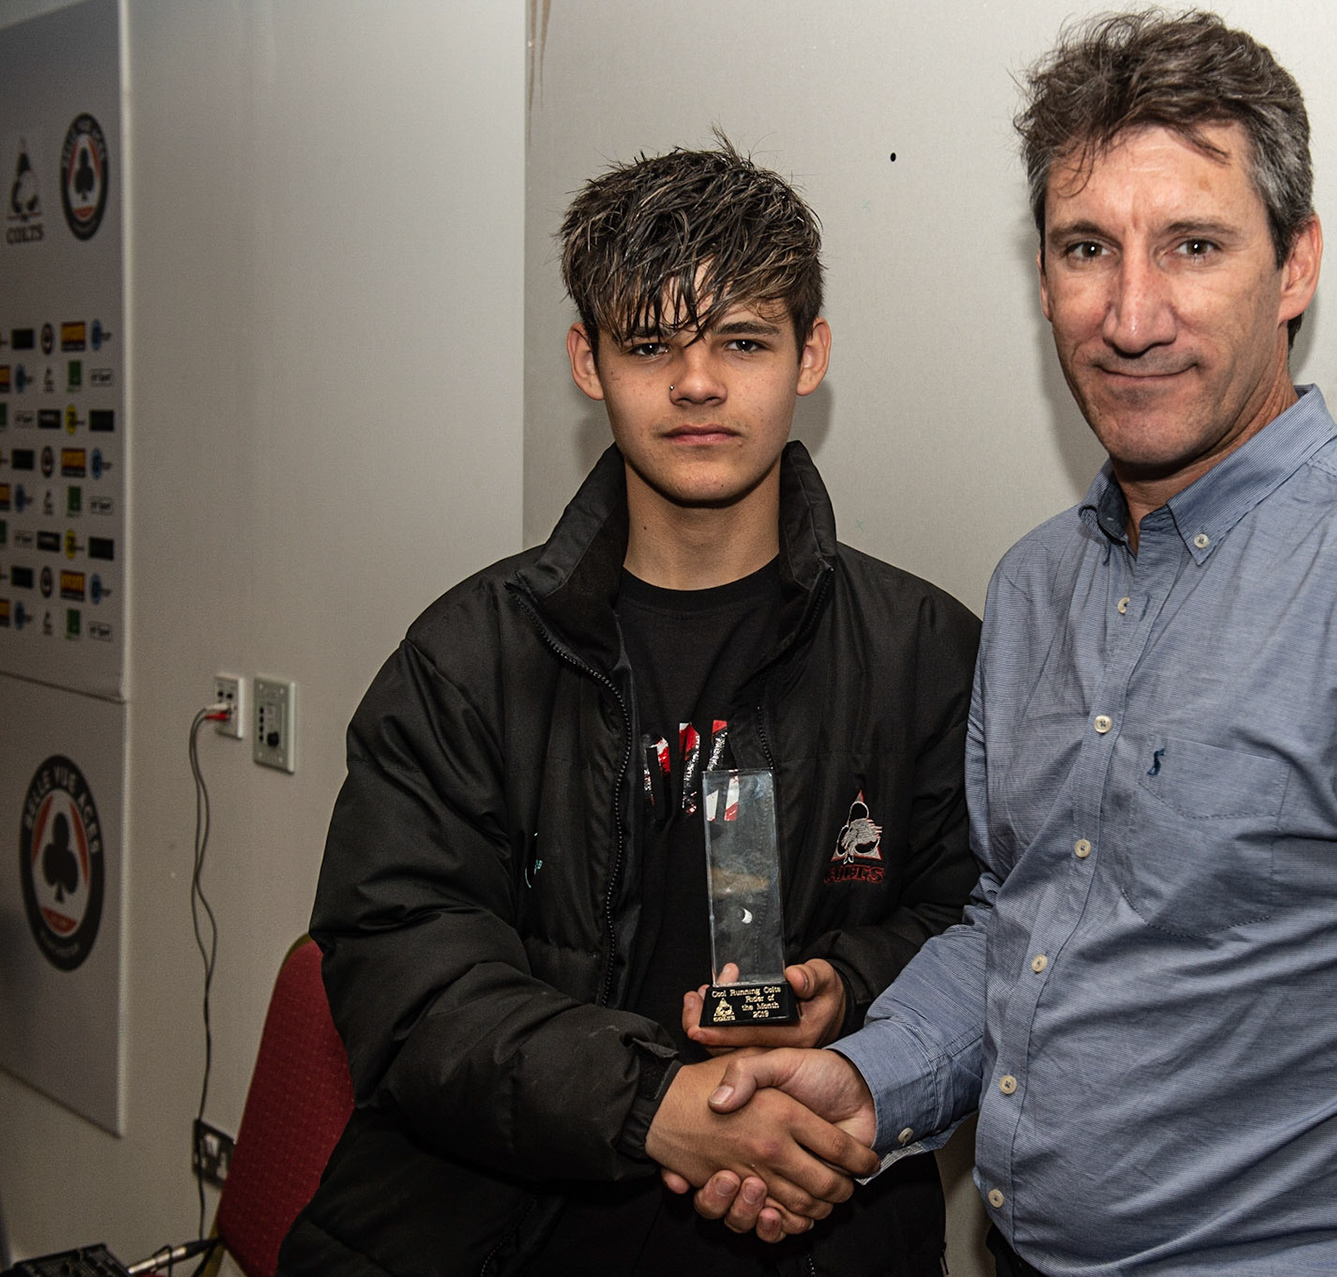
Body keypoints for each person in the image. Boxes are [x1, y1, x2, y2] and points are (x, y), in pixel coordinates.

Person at [681, 12, 1337, 1276]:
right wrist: (869, 1082)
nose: (1131, 314)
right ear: (1042, 277)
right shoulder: (1036, 585)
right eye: (1086, 249)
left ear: (1296, 264)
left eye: (1193, 246)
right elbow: (1021, 924)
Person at [280, 142, 980, 1276]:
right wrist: (654, 1103)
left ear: (810, 355)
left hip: (816, 1228)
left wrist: (849, 984)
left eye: (742, 341)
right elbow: (398, 968)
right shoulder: (467, 658)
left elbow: (987, 927)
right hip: (506, 1234)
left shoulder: (928, 653)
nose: (697, 384)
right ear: (587, 360)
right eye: (651, 344)